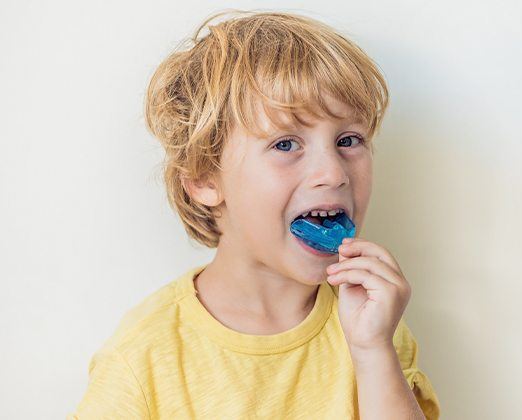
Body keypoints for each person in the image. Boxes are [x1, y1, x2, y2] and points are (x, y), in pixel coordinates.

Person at [68, 9, 441, 419]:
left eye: (348, 140)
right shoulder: (143, 358)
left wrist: (373, 350)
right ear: (205, 178)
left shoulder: (371, 320)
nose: (333, 173)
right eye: (285, 145)